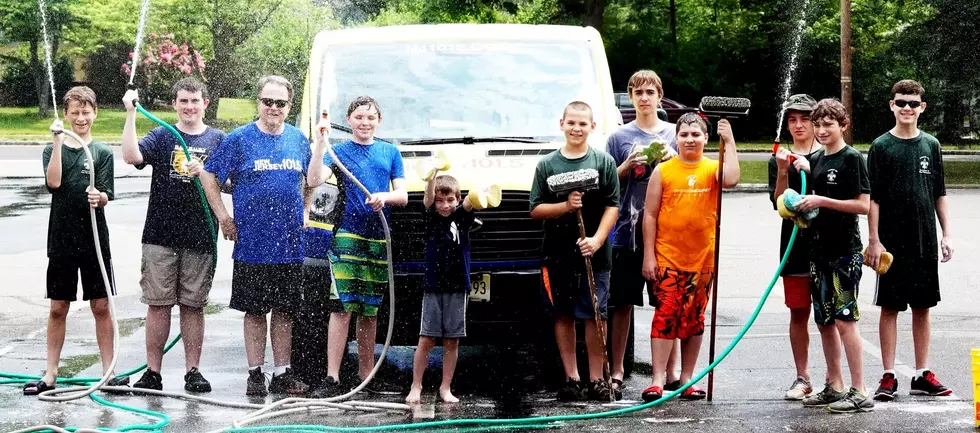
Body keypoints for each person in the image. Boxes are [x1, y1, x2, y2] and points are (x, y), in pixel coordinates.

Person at [200, 75, 310, 396]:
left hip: (289, 244)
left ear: (289, 106)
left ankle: (282, 372)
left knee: (285, 312)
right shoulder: (239, 139)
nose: (273, 108)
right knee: (255, 310)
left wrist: (305, 209)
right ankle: (254, 373)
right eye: (268, 101)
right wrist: (223, 216)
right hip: (252, 244)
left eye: (280, 103)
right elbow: (209, 174)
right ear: (258, 102)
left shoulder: (299, 140)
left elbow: (314, 176)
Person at [120, 78, 224, 393]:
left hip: (201, 236)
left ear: (205, 103)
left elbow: (231, 181)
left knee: (193, 305)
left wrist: (203, 172)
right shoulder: (164, 135)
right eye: (183, 101)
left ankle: (193, 370)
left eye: (195, 101)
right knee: (158, 304)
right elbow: (131, 156)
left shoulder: (219, 140)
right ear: (175, 104)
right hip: (160, 236)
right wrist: (129, 114)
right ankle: (153, 372)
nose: (189, 107)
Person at [24, 86, 130, 395]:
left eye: (86, 112)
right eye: (75, 113)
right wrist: (57, 142)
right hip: (62, 240)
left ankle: (108, 372)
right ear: (66, 115)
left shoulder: (102, 153)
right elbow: (53, 182)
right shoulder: (52, 148)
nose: (80, 118)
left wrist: (101, 198)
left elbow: (107, 193)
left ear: (95, 113)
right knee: (58, 307)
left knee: (101, 306)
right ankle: (51, 373)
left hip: (95, 240)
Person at [307, 96, 408, 396]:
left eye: (371, 117)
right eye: (359, 117)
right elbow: (314, 179)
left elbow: (402, 195)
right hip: (346, 238)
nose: (365, 122)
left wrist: (383, 197)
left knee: (370, 311)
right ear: (349, 120)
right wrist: (319, 145)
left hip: (378, 239)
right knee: (341, 308)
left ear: (379, 120)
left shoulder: (390, 152)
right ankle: (332, 378)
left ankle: (367, 377)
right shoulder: (337, 153)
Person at [639, 112, 740, 402]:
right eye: (684, 134)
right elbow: (650, 215)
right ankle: (658, 379)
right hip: (668, 257)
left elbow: (731, 178)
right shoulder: (664, 171)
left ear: (706, 138)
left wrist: (730, 140)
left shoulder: (712, 168)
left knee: (694, 319)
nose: (690, 139)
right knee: (666, 316)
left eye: (696, 134)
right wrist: (649, 256)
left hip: (703, 259)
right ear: (676, 138)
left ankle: (687, 379)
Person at [783, 98, 873, 413]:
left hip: (844, 254)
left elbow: (862, 205)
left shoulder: (852, 159)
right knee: (823, 321)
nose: (821, 130)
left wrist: (822, 199)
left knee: (845, 320)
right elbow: (812, 187)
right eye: (818, 124)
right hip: (817, 253)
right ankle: (834, 385)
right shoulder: (818, 158)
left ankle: (860, 389)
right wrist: (804, 171)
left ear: (843, 126)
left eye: (828, 125)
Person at [867, 79, 953, 401]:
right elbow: (872, 200)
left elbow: (939, 194)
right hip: (890, 243)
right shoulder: (881, 146)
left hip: (924, 242)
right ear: (891, 105)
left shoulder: (931, 145)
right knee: (889, 308)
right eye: (901, 102)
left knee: (922, 307)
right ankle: (888, 376)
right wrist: (874, 241)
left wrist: (947, 234)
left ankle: (921, 373)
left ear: (922, 108)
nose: (906, 108)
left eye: (912, 103)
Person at [529, 101, 620, 402]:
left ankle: (597, 379)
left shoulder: (603, 162)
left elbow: (612, 206)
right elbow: (536, 209)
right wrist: (566, 206)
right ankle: (572, 377)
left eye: (583, 124)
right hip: (557, 255)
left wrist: (596, 239)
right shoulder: (547, 165)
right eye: (572, 123)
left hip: (596, 254)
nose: (577, 128)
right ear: (561, 124)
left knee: (595, 314)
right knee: (563, 314)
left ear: (592, 127)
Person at [604, 70, 681, 398]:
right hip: (625, 233)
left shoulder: (675, 133)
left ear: (660, 95)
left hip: (666, 232)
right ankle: (617, 368)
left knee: (668, 301)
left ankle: (670, 369)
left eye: (651, 91)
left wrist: (672, 159)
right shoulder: (618, 137)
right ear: (630, 96)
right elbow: (606, 185)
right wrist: (625, 167)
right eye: (639, 92)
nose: (645, 97)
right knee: (621, 304)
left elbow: (688, 178)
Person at [405, 172, 481, 404]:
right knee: (426, 339)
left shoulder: (462, 218)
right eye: (440, 201)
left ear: (457, 199)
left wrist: (481, 191)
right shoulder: (431, 218)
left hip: (458, 287)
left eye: (450, 200)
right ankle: (416, 385)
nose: (445, 205)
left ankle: (445, 388)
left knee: (452, 341)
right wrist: (432, 175)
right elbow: (428, 198)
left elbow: (469, 202)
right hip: (434, 287)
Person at [768, 93, 822, 400]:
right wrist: (784, 170)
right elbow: (777, 204)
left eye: (805, 118)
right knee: (799, 311)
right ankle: (802, 377)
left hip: (828, 246)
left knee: (832, 315)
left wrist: (810, 169)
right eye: (792, 119)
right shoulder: (780, 156)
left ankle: (834, 377)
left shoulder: (830, 153)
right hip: (794, 248)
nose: (798, 125)